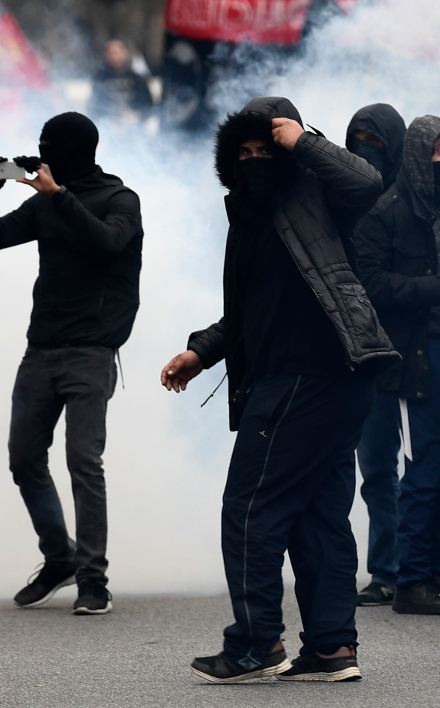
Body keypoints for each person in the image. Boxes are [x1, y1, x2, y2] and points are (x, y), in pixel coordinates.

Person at [161, 97, 394, 683]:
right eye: (243, 152)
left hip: (309, 376)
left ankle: (255, 644)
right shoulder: (248, 217)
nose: (254, 160)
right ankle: (331, 649)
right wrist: (202, 351)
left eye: (266, 148)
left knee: (249, 509)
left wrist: (303, 140)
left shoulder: (318, 194)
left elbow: (369, 181)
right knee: (319, 517)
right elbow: (247, 313)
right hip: (321, 382)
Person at [0, 112, 144, 615]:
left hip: (92, 349)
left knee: (83, 463)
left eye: (51, 145)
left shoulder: (119, 199)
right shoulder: (46, 201)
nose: (43, 152)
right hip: (42, 348)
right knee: (24, 459)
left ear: (76, 150)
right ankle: (59, 558)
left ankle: (93, 580)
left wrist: (58, 196)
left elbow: (108, 242)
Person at [356, 115, 440, 615]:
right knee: (413, 468)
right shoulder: (384, 211)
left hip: (427, 352)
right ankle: (406, 578)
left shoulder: (431, 208)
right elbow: (371, 284)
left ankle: (424, 572)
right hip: (407, 357)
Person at [345, 103, 408, 607]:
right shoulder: (343, 197)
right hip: (367, 354)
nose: (365, 151)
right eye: (357, 142)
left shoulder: (413, 203)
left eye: (376, 143)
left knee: (420, 467)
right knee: (377, 469)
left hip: (413, 350)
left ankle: (415, 564)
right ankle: (387, 569)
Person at [88, 39, 154, 125]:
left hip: (133, 125)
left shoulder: (137, 79)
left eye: (116, 52)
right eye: (109, 53)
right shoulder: (100, 79)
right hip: (108, 125)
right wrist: (109, 119)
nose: (113, 56)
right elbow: (94, 107)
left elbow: (148, 105)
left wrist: (137, 115)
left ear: (125, 53)